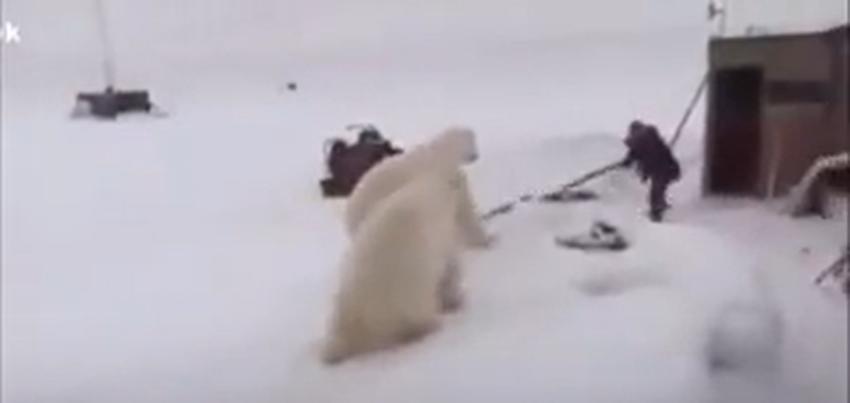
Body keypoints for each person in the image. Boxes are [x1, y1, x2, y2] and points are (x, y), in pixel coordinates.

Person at [620, 120, 681, 222]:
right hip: (668, 167)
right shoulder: (652, 137)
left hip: (662, 168)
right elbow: (640, 153)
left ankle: (656, 213)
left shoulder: (642, 138)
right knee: (658, 189)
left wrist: (627, 161)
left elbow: (635, 152)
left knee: (656, 190)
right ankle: (660, 207)